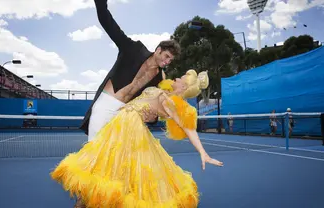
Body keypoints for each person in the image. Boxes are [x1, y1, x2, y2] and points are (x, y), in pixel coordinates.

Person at [51, 70, 224, 208]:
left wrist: (203, 153)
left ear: (184, 87)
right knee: (104, 162)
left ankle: (98, 202)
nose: (177, 78)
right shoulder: (162, 88)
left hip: (131, 131)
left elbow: (188, 128)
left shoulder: (171, 103)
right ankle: (88, 201)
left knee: (121, 168)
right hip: (117, 125)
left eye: (181, 78)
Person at [79, 0, 181, 142]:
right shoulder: (134, 49)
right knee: (94, 153)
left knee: (116, 157)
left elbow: (153, 104)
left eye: (170, 60)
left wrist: (153, 118)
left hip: (125, 114)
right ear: (158, 50)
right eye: (166, 56)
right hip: (106, 104)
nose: (167, 62)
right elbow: (108, 23)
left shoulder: (160, 78)